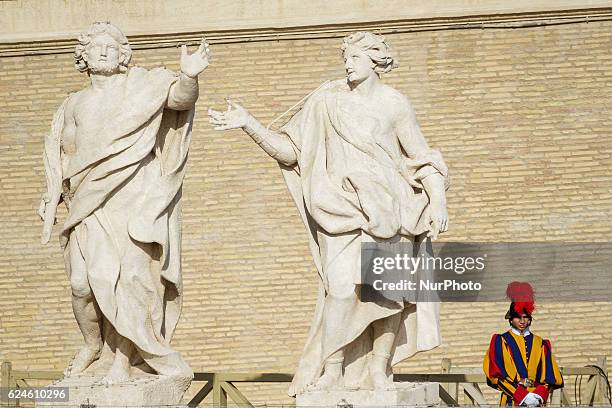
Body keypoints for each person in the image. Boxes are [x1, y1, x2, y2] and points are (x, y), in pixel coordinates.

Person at [209, 31, 449, 394]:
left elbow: (421, 156)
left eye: (354, 58)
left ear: (374, 61)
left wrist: (437, 200)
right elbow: (291, 153)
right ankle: (332, 369)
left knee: (388, 293)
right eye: (346, 58)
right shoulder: (325, 102)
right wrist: (249, 125)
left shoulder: (394, 104)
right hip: (338, 210)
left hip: (390, 209)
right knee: (339, 290)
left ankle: (379, 370)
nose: (347, 64)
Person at [38, 21, 210, 384]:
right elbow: (65, 154)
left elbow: (180, 98)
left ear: (123, 56)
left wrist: (189, 76)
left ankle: (123, 362)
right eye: (95, 47)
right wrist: (51, 195)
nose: (103, 52)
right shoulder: (74, 104)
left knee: (124, 280)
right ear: (82, 57)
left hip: (132, 195)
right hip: (86, 201)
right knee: (82, 283)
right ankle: (92, 344)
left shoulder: (144, 84)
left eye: (111, 47)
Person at [483, 282, 564, 406]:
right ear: (511, 319)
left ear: (530, 319)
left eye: (525, 317)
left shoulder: (541, 343)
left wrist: (538, 395)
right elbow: (496, 377)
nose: (522, 321)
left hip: (537, 400)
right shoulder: (500, 341)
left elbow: (550, 376)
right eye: (517, 317)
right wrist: (522, 396)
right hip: (512, 399)